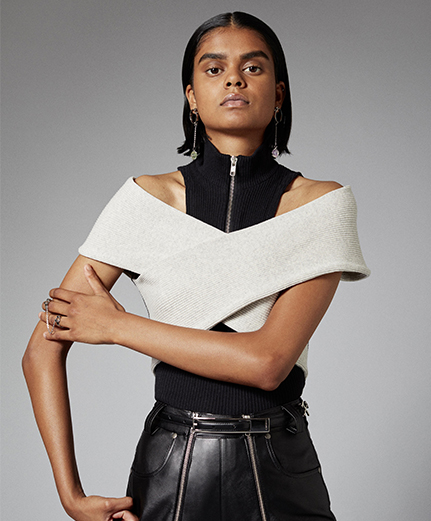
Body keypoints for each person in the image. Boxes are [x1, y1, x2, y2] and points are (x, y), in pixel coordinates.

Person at [23, 12, 370, 521]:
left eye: (253, 67)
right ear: (191, 95)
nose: (234, 80)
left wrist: (118, 326)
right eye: (214, 69)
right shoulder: (144, 202)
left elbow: (268, 363)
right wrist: (70, 496)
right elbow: (41, 350)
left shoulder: (322, 205)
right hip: (171, 461)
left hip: (279, 464)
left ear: (278, 93)